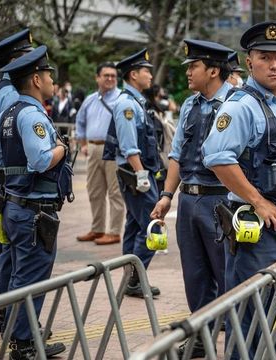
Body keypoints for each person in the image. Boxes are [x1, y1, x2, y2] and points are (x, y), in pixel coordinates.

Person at [202, 21, 276, 358]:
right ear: (249, 62)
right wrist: (259, 201)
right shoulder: (241, 105)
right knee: (250, 316)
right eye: (265, 57)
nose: (275, 64)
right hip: (254, 229)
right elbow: (218, 158)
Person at [150, 39, 233, 358]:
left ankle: (238, 338)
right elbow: (177, 155)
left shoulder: (235, 104)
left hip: (220, 202)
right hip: (189, 200)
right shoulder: (190, 105)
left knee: (227, 274)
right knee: (195, 274)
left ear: (213, 70)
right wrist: (167, 195)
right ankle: (201, 336)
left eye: (193, 67)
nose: (188, 72)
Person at [0, 45, 71, 359]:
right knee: (32, 277)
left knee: (18, 274)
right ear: (36, 80)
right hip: (35, 210)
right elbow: (40, 161)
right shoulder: (32, 115)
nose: (52, 80)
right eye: (48, 74)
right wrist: (61, 148)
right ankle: (23, 343)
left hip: (14, 205)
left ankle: (19, 331)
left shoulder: (6, 114)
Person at [0, 28, 34, 334]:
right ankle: (4, 309)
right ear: (16, 60)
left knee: (8, 244)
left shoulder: (5, 88)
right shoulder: (11, 93)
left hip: (6, 178)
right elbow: (11, 137)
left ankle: (3, 308)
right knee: (10, 247)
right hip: (11, 181)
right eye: (28, 55)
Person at [102, 49, 160, 298]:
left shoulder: (137, 102)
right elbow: (128, 146)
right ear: (134, 75)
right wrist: (141, 175)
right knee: (152, 227)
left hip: (138, 171)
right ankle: (135, 278)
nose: (150, 75)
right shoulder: (127, 104)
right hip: (135, 172)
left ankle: (132, 278)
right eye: (146, 70)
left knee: (136, 225)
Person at [75, 62, 124, 245]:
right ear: (97, 78)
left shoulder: (121, 98)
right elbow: (80, 121)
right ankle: (97, 229)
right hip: (93, 148)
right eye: (106, 75)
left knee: (115, 192)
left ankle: (114, 231)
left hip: (114, 148)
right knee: (94, 190)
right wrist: (83, 144)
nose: (110, 79)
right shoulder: (90, 99)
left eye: (113, 76)